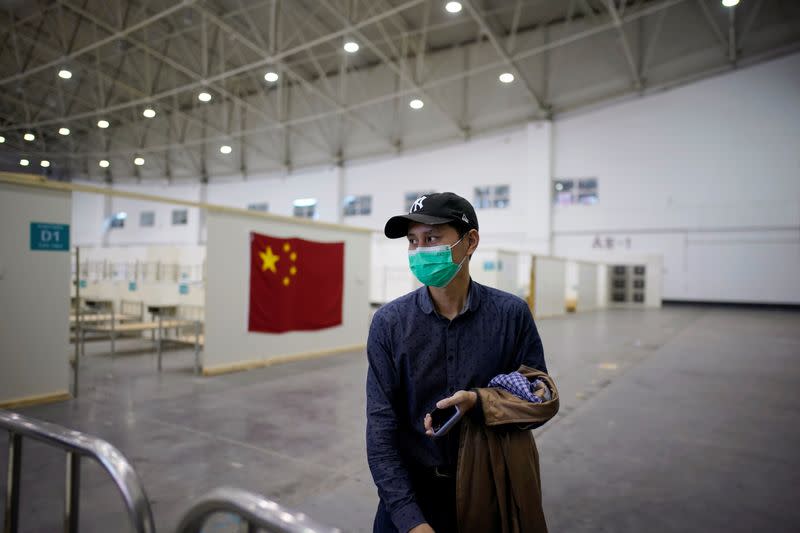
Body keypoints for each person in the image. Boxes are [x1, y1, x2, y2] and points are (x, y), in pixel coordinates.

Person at [366, 192, 552, 533]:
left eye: (432, 238)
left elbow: (538, 399)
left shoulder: (510, 315)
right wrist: (410, 519)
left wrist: (479, 402)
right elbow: (380, 429)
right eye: (413, 241)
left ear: (470, 242)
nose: (421, 250)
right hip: (411, 495)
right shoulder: (389, 324)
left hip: (489, 488)